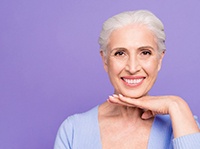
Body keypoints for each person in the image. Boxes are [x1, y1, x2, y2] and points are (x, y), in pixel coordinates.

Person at [54, 10, 200, 149]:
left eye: (145, 52)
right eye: (120, 53)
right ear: (105, 60)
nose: (132, 67)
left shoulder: (184, 123)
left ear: (160, 59)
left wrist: (176, 104)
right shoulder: (73, 129)